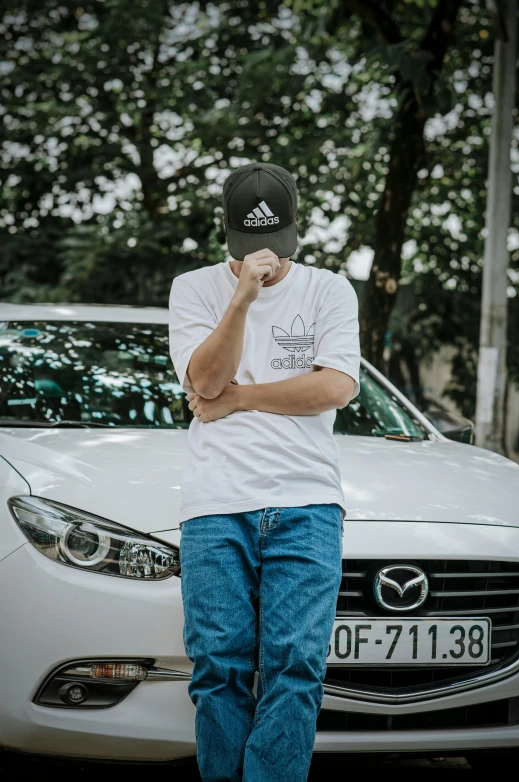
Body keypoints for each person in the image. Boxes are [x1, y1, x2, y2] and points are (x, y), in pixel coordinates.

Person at [168, 162, 360, 782]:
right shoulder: (194, 289)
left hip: (307, 504)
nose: (265, 259)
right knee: (218, 668)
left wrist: (243, 399)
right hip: (216, 504)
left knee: (295, 666)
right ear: (226, 234)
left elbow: (333, 386)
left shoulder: (329, 290)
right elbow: (204, 380)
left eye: (275, 245)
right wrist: (242, 300)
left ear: (294, 231)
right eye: (252, 248)